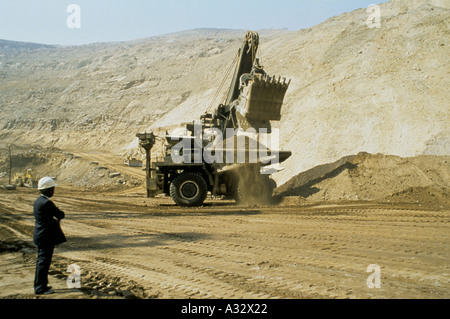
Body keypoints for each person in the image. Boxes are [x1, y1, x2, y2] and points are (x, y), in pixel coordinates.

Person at [33, 177, 66, 295]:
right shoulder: (47, 203)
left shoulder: (38, 201)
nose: (53, 191)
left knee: (41, 262)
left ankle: (42, 285)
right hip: (46, 237)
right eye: (52, 189)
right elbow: (60, 214)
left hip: (40, 235)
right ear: (48, 190)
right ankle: (40, 288)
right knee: (43, 262)